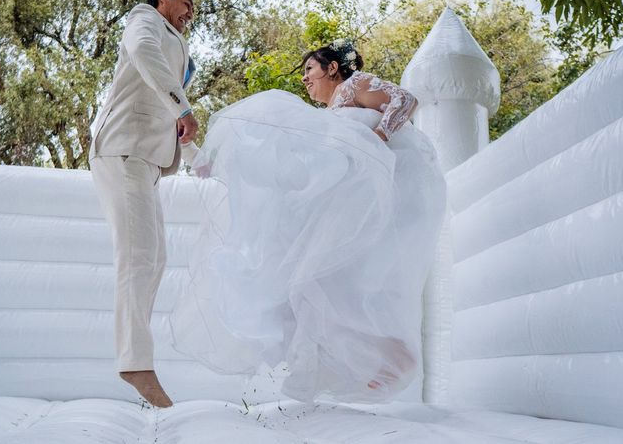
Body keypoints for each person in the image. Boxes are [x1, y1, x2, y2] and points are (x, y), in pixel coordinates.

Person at [171, 39, 447, 402]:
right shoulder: (331, 111)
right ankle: (365, 360)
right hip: (349, 205)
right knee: (319, 283)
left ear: (333, 68)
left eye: (309, 70)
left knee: (338, 281)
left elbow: (406, 101)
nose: (304, 79)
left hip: (382, 200)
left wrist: (377, 138)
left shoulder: (355, 85)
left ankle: (395, 357)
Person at [89, 0, 200, 408]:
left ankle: (136, 356)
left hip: (146, 162)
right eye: (186, 2)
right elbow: (141, 52)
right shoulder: (145, 19)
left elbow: (170, 114)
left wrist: (199, 157)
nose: (191, 11)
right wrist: (183, 106)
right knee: (137, 256)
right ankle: (136, 362)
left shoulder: (174, 38)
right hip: (122, 150)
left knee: (155, 257)